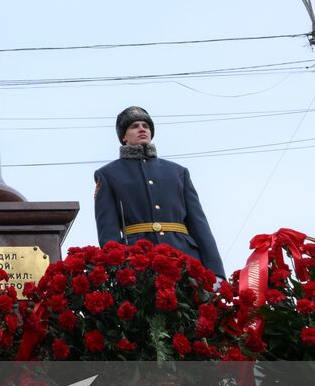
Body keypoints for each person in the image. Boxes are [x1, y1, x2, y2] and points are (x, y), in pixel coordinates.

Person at [93, 106, 225, 278]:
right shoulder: (108, 175)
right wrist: (118, 271)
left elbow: (199, 225)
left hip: (185, 259)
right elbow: (107, 231)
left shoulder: (178, 172)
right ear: (123, 137)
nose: (142, 129)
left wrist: (216, 272)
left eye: (145, 126)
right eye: (134, 126)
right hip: (137, 263)